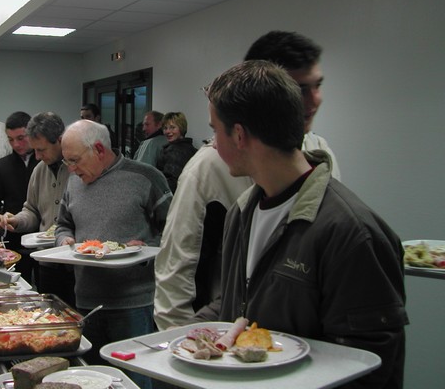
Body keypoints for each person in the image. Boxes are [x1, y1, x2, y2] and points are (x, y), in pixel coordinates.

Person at [192, 60, 408, 388]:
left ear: (238, 135)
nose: (212, 144)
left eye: (213, 130)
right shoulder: (242, 212)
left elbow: (370, 366)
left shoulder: (351, 233)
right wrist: (179, 337)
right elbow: (239, 304)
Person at [56, 119, 172, 389]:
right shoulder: (74, 183)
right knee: (93, 379)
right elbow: (63, 224)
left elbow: (175, 232)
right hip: (86, 301)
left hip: (133, 303)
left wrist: (147, 245)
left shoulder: (145, 177)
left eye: (74, 160)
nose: (71, 170)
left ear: (98, 149)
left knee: (135, 380)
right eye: (67, 162)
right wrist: (65, 239)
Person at [154, 141, 252, 330]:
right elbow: (178, 262)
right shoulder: (206, 168)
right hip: (224, 331)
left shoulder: (317, 154)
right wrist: (175, 336)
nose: (214, 143)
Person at [0, 112, 75, 306]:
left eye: (41, 150)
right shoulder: (39, 170)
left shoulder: (78, 170)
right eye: (35, 151)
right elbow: (31, 210)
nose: (38, 156)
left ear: (59, 140)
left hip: (76, 265)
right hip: (47, 262)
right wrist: (17, 220)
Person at [244, 30, 341, 179]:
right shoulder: (210, 170)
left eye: (317, 85)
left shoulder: (319, 150)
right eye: (300, 89)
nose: (315, 100)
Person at [0, 111, 38, 283]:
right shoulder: (2, 166)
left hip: (43, 235)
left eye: (21, 138)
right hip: (13, 239)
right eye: (11, 139)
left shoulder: (45, 162)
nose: (16, 144)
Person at [155, 112, 197, 192]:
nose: (167, 131)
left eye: (172, 127)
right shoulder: (190, 148)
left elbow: (171, 184)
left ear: (181, 128)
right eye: (165, 128)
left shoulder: (175, 151)